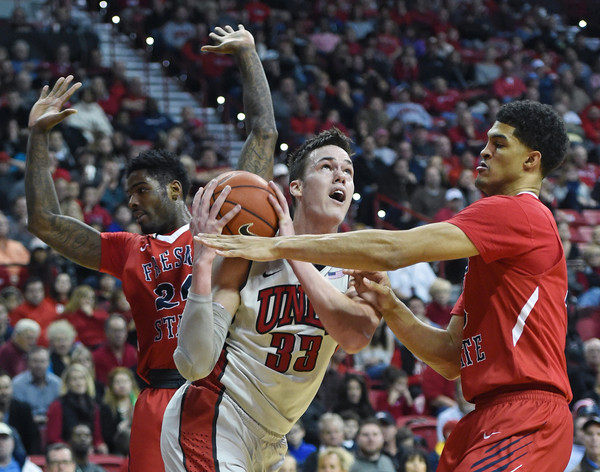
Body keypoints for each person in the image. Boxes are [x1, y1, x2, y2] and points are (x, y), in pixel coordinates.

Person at [197, 100, 574, 470]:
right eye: (488, 141)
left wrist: (277, 243)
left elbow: (392, 248)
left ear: (531, 161)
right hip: (487, 416)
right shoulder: (494, 255)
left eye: (499, 143)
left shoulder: (517, 210)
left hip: (526, 415)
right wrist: (391, 305)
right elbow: (448, 358)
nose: (484, 150)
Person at [25, 22, 277, 472]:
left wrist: (247, 55)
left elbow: (262, 135)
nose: (133, 201)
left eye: (142, 189)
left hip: (222, 391)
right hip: (157, 395)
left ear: (176, 190)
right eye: (129, 194)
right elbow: (46, 223)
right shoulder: (128, 247)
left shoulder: (219, 220)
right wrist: (38, 138)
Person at [160, 127, 381, 470]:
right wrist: (203, 263)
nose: (341, 174)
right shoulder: (250, 253)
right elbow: (194, 364)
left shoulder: (360, 264)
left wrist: (291, 250)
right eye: (326, 167)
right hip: (213, 416)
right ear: (296, 187)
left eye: (348, 171)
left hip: (273, 439)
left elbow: (354, 338)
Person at [45, 363, 107, 454]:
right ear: (67, 383)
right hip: (64, 451)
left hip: (90, 451)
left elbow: (97, 437)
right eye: (74, 379)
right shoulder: (57, 405)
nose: (79, 382)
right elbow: (53, 438)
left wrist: (99, 445)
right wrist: (75, 449)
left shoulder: (94, 405)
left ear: (87, 381)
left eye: (82, 378)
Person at [11, 346, 61, 428]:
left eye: (42, 361)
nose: (39, 365)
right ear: (28, 363)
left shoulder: (57, 383)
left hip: (52, 425)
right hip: (26, 426)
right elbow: (17, 412)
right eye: (35, 361)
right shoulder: (17, 384)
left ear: (48, 363)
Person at [92, 315, 136, 386]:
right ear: (106, 332)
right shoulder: (96, 357)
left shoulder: (135, 353)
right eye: (115, 331)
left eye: (122, 330)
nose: (119, 334)